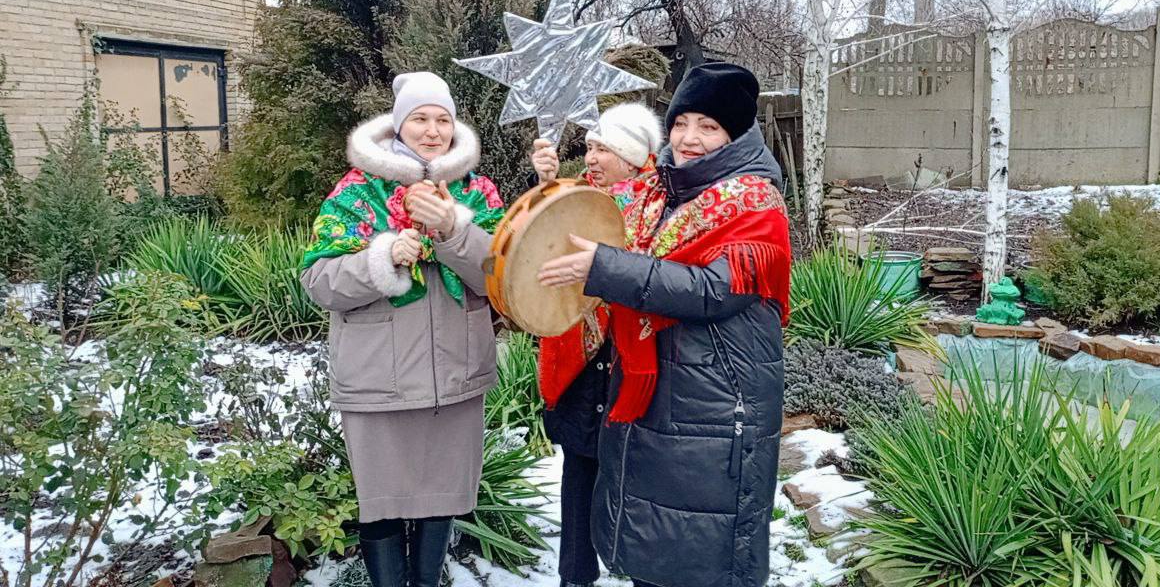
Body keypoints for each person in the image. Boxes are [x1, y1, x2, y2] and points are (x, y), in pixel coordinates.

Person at [537, 63, 792, 587]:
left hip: (716, 406)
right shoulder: (657, 193)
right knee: (654, 548)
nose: (689, 138)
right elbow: (592, 213)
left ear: (736, 133)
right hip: (655, 398)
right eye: (681, 123)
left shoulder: (755, 203)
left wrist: (606, 268)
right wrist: (547, 194)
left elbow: (712, 290)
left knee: (699, 555)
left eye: (709, 126)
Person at [299, 72, 506, 587]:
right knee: (383, 502)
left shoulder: (476, 192)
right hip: (379, 382)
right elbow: (319, 282)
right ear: (398, 124)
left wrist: (453, 230)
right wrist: (382, 256)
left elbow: (502, 276)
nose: (433, 130)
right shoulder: (358, 192)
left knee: (441, 498)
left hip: (454, 379)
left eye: (443, 119)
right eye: (419, 118)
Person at [529, 102, 663, 587]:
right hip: (584, 363)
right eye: (588, 147)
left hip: (635, 360)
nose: (590, 158)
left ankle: (643, 571)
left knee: (638, 475)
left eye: (602, 148)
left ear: (631, 156)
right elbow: (535, 248)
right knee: (580, 469)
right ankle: (576, 574)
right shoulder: (578, 199)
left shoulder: (662, 206)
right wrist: (545, 187)